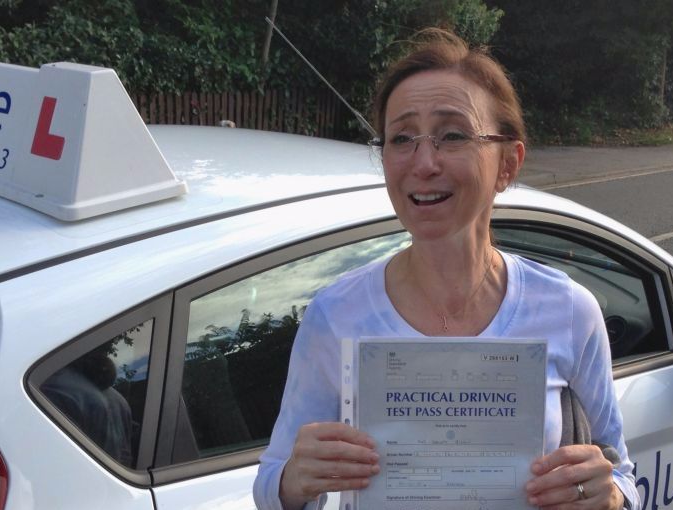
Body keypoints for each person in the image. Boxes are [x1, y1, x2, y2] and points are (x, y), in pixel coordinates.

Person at [253, 28, 639, 510]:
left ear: (507, 163)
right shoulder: (335, 313)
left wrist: (609, 496)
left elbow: (622, 475)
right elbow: (271, 487)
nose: (424, 162)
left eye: (452, 135)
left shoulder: (569, 309)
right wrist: (293, 480)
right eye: (402, 138)